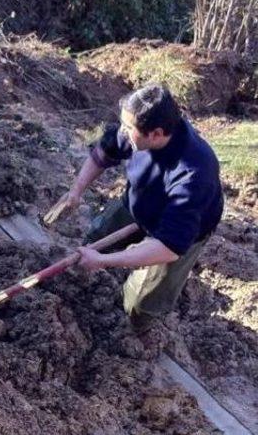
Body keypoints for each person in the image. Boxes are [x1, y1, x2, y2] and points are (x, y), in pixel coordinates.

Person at [50, 84, 224, 330]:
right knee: (91, 242)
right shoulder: (136, 131)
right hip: (139, 206)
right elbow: (105, 151)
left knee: (139, 306)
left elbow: (168, 247)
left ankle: (139, 325)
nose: (123, 131)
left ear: (156, 134)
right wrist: (76, 191)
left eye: (128, 128)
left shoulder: (193, 175)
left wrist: (103, 261)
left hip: (175, 236)